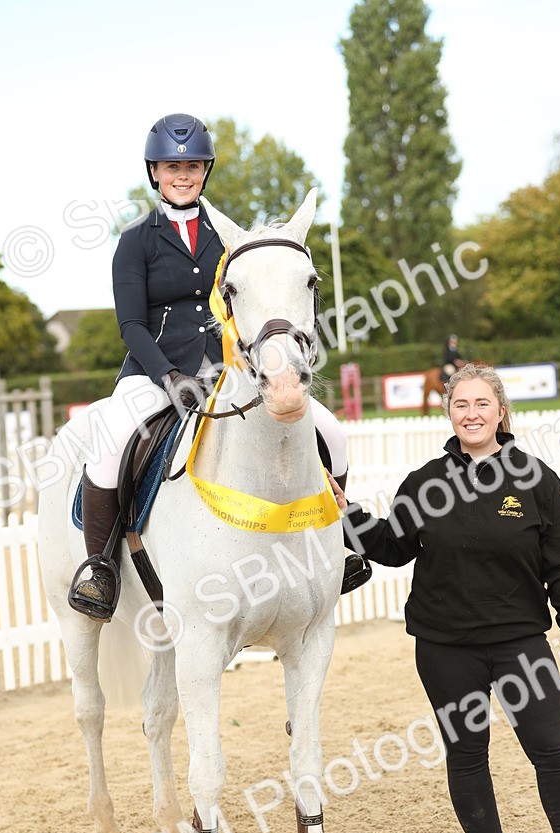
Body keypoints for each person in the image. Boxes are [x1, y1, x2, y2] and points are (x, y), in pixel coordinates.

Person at [330, 362, 560, 833]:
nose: (472, 414)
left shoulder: (537, 480)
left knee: (553, 754)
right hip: (445, 647)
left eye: (482, 404)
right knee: (467, 757)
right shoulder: (426, 483)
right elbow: (391, 547)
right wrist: (348, 515)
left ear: (501, 412)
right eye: (461, 405)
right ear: (449, 414)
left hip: (521, 646)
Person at [69, 112, 369, 621]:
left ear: (205, 170)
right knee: (111, 440)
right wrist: (168, 376)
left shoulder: (231, 236)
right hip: (153, 373)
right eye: (171, 167)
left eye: (192, 166)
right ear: (155, 173)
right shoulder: (136, 240)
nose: (182, 175)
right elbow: (131, 326)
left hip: (229, 372)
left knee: (331, 431)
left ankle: (337, 540)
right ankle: (101, 568)